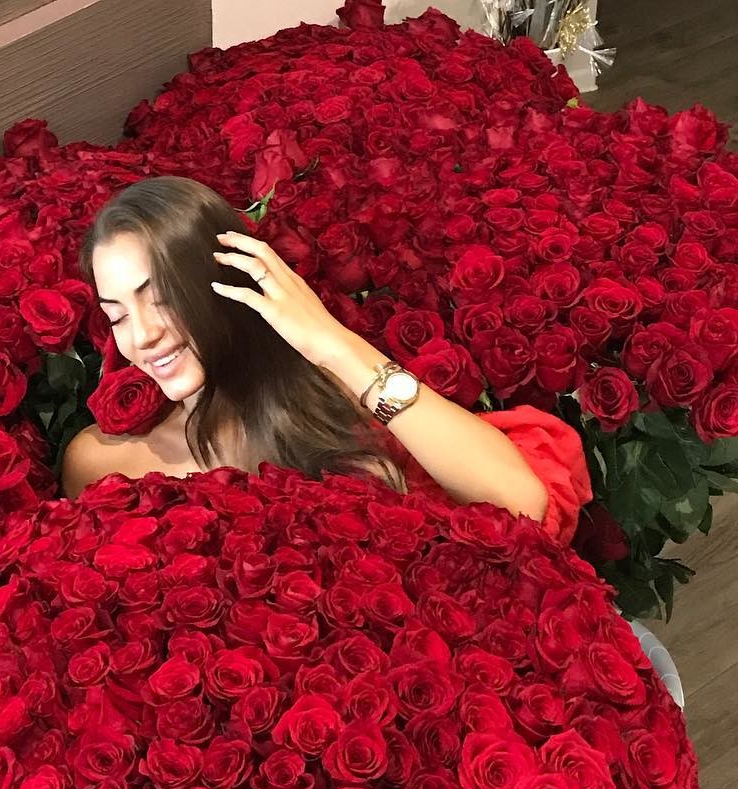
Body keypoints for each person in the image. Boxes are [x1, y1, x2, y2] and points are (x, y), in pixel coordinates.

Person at [63, 177, 591, 543]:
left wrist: (333, 343)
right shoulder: (101, 464)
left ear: (226, 283)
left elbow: (520, 505)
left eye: (161, 299)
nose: (143, 335)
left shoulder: (330, 406)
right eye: (117, 315)